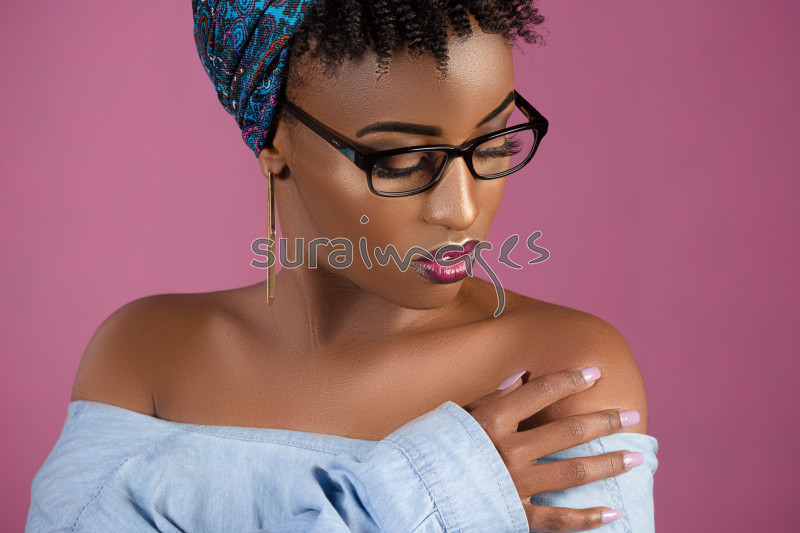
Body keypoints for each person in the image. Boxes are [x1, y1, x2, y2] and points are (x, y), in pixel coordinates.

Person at [26, 1, 658, 532]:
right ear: (274, 137)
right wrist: (427, 493)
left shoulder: (557, 374)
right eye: (400, 161)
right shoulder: (146, 355)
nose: (461, 210)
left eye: (493, 144)